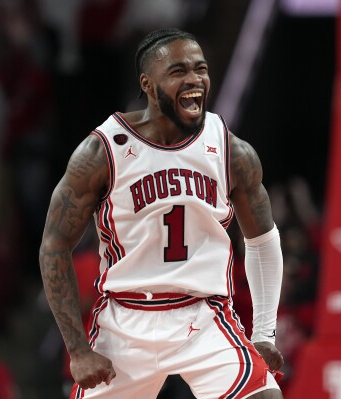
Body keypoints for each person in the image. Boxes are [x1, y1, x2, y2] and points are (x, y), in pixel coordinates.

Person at [39, 28, 285, 399]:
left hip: (203, 315)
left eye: (200, 69)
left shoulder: (230, 150)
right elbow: (54, 247)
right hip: (125, 320)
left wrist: (263, 333)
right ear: (148, 84)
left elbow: (263, 240)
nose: (194, 80)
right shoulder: (103, 151)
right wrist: (77, 351)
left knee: (266, 396)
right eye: (178, 71)